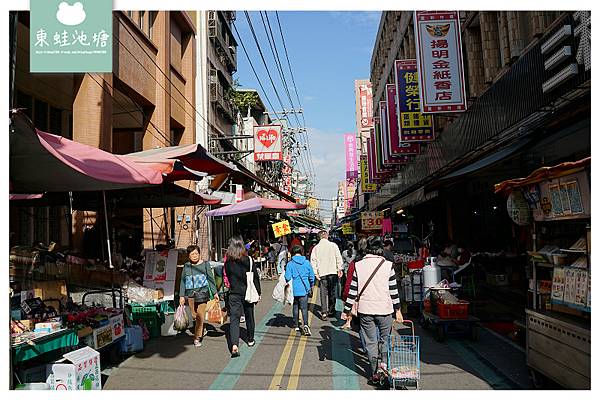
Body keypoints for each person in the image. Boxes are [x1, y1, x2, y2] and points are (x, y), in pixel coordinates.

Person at [342, 237, 403, 385]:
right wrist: (398, 310)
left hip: (366, 311)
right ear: (381, 249)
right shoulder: (388, 266)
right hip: (385, 310)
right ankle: (384, 367)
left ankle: (376, 372)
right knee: (385, 340)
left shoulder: (358, 265)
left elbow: (352, 291)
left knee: (370, 343)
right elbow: (393, 291)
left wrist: (347, 310)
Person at [224, 236, 261, 357]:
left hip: (234, 293)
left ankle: (234, 345)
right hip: (248, 292)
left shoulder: (228, 262)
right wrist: (258, 293)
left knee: (234, 319)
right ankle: (250, 339)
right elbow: (255, 278)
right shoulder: (249, 260)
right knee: (249, 316)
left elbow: (228, 277)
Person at [179, 245, 219, 347]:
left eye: (196, 253)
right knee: (194, 316)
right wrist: (181, 296)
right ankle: (202, 328)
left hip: (202, 295)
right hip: (190, 295)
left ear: (199, 254)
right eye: (192, 254)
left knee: (200, 316)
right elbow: (183, 282)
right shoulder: (186, 266)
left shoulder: (205, 265)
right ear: (188, 256)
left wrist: (215, 293)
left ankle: (197, 337)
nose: (195, 256)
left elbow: (211, 279)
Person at [310, 230, 343, 321]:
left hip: (322, 273)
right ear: (327, 236)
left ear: (319, 237)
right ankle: (331, 310)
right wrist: (339, 268)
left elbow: (313, 261)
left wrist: (316, 273)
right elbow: (338, 257)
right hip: (333, 272)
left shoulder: (316, 248)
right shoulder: (333, 245)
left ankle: (324, 312)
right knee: (332, 292)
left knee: (323, 293)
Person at [284, 245, 316, 336]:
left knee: (295, 307)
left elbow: (287, 277)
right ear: (301, 252)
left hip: (294, 289)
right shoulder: (306, 262)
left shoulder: (290, 264)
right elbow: (312, 276)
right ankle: (305, 325)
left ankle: (297, 325)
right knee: (304, 308)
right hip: (304, 289)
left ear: (293, 253)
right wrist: (311, 285)